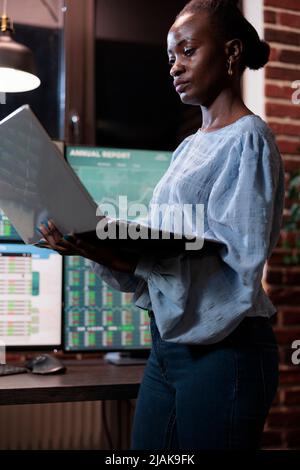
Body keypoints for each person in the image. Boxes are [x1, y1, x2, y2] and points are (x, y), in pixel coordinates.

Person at [39, 0, 285, 450]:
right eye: (171, 56)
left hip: (223, 352)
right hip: (167, 352)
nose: (175, 67)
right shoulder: (188, 148)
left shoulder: (249, 139)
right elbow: (161, 261)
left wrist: (118, 242)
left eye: (188, 51)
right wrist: (90, 242)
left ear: (231, 54)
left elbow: (233, 267)